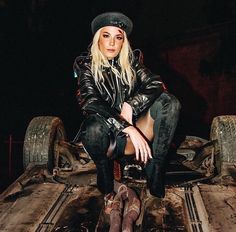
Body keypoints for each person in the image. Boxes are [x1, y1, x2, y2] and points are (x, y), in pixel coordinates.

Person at [73, 12, 181, 207]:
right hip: (109, 141)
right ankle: (105, 179)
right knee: (92, 127)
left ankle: (154, 170)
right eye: (106, 35)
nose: (112, 42)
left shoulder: (132, 62)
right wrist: (126, 126)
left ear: (124, 41)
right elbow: (90, 102)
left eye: (118, 37)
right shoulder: (86, 66)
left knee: (169, 102)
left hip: (138, 134)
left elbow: (156, 83)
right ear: (98, 38)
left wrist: (131, 104)